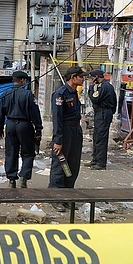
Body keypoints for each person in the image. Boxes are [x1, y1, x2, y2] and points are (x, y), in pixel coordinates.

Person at [49, 65, 89, 212]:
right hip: (64, 132)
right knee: (61, 165)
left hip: (74, 131)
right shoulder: (60, 94)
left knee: (72, 165)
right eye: (81, 77)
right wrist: (58, 140)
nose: (83, 79)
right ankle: (55, 197)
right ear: (73, 77)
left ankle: (67, 196)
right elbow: (57, 118)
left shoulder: (73, 93)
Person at [0, 71, 43, 188]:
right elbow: (35, 113)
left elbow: (0, 113)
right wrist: (38, 128)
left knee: (11, 152)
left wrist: (0, 128)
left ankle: (11, 179)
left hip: (10, 125)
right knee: (28, 152)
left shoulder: (5, 94)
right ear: (22, 81)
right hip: (25, 125)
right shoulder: (28, 95)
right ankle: (24, 177)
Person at [86, 69, 117, 170]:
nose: (91, 79)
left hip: (103, 113)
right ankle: (95, 159)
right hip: (101, 113)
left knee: (101, 138)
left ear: (96, 77)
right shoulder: (103, 86)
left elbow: (95, 99)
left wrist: (90, 87)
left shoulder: (104, 86)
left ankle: (101, 162)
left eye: (92, 77)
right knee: (96, 137)